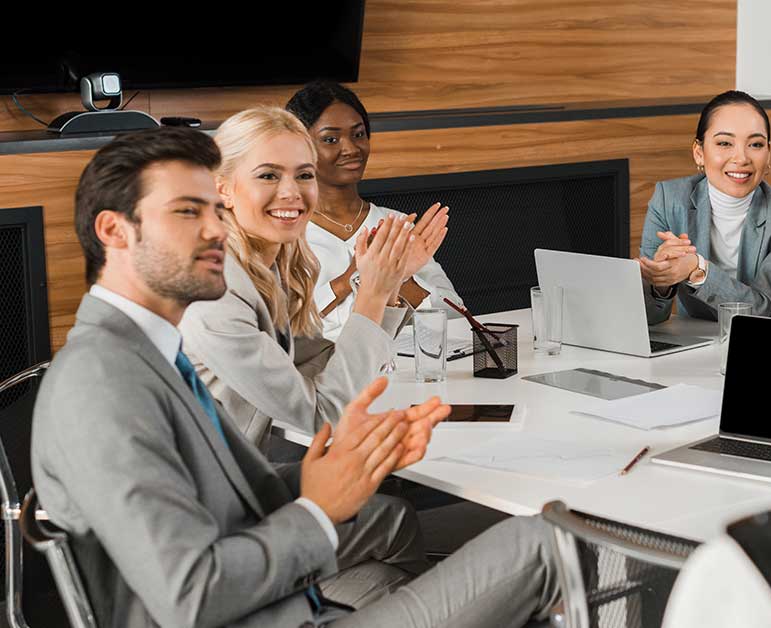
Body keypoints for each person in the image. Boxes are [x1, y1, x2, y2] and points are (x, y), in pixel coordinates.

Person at [30, 126, 559, 627]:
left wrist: (356, 462)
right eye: (188, 212)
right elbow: (189, 597)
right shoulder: (101, 383)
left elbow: (223, 491)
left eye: (216, 210)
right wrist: (318, 508)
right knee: (547, 540)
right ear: (113, 231)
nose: (216, 230)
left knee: (394, 529)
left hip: (281, 602)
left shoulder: (144, 353)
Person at [178, 107, 448, 450]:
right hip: (214, 491)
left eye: (304, 175)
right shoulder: (215, 291)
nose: (292, 192)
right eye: (268, 176)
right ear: (224, 191)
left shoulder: (267, 269)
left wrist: (391, 282)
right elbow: (324, 415)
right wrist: (372, 291)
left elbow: (323, 361)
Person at [286, 80, 460, 341]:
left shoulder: (396, 224)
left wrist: (401, 278)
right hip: (323, 372)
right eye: (330, 139)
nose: (351, 149)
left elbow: (456, 316)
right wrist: (351, 279)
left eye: (358, 134)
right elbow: (281, 328)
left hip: (402, 369)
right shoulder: (284, 231)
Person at [638, 90, 771, 324]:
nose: (741, 158)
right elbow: (649, 317)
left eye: (755, 144)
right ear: (699, 153)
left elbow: (763, 312)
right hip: (696, 342)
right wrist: (660, 283)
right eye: (724, 143)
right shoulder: (667, 199)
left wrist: (697, 270)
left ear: (769, 153)